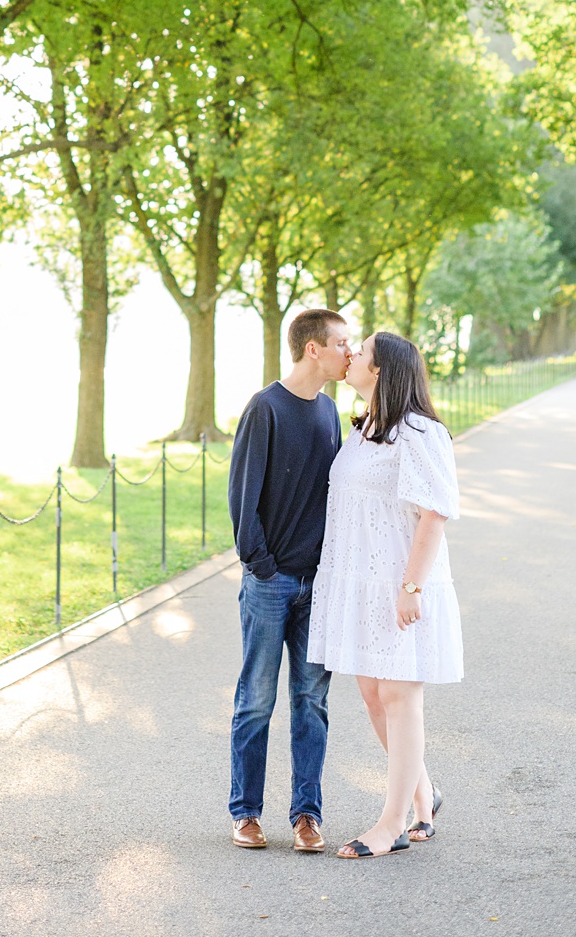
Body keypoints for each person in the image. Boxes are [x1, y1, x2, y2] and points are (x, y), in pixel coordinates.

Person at [307, 331, 464, 859]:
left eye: (360, 352)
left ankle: (391, 823)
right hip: (359, 581)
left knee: (400, 698)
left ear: (380, 370)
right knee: (374, 696)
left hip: (401, 584)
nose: (349, 356)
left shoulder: (419, 432)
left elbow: (434, 514)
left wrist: (411, 587)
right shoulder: (365, 427)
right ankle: (425, 796)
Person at [226, 306, 353, 853]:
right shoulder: (265, 408)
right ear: (313, 349)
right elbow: (242, 495)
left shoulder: (330, 412)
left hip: (318, 585)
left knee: (312, 701)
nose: (351, 351)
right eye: (343, 342)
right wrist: (263, 566)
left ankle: (306, 815)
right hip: (271, 583)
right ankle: (246, 813)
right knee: (256, 700)